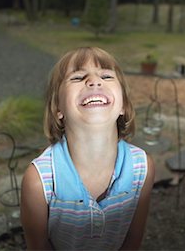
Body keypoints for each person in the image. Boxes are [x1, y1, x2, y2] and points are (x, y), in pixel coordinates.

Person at [20, 46, 155, 250]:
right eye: (77, 77)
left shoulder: (142, 168)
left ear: (123, 106)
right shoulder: (40, 181)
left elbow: (133, 239)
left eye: (106, 76)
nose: (94, 81)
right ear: (58, 108)